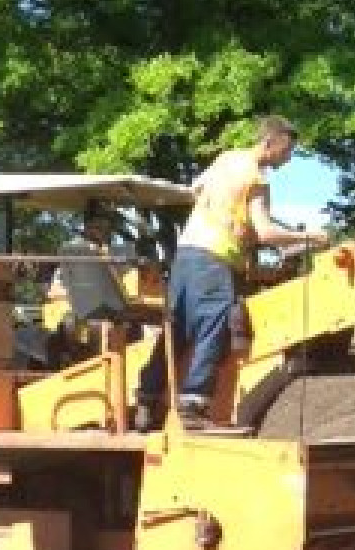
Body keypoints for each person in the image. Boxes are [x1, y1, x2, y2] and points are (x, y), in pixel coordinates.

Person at [134, 116, 328, 431]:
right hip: (215, 260)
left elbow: (196, 190)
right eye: (286, 152)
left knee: (177, 331)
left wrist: (236, 225)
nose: (287, 159)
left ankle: (147, 396)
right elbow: (265, 231)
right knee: (215, 326)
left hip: (185, 255)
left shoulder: (226, 160)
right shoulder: (257, 178)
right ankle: (194, 405)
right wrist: (310, 238)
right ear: (270, 143)